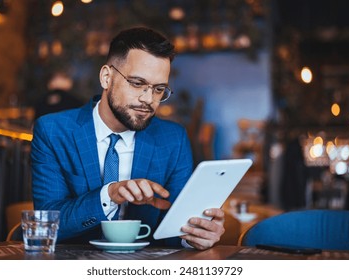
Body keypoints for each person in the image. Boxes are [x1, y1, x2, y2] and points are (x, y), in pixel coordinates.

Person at [31, 27, 225, 250]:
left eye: (159, 89)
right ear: (106, 77)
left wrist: (194, 235)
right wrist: (109, 194)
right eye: (137, 83)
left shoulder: (173, 140)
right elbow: (47, 224)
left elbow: (172, 231)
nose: (148, 99)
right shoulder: (53, 131)